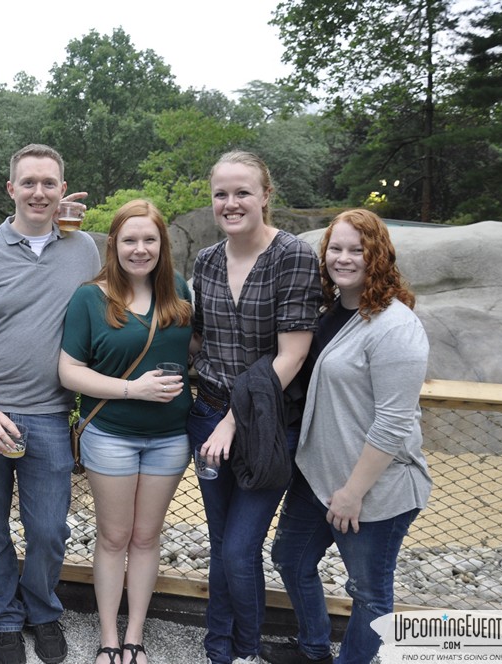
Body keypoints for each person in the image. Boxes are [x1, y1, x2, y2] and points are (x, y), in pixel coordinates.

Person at [0, 143, 101, 664]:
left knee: (50, 527)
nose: (38, 191)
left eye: (49, 183)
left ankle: (41, 607)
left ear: (63, 191)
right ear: (10, 188)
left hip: (52, 415)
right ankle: (4, 615)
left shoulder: (84, 251)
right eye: (28, 182)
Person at [261, 210, 431, 664]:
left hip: (373, 491)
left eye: (357, 249)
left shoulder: (395, 326)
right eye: (336, 247)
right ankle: (313, 648)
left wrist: (353, 492)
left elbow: (394, 422)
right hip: (316, 475)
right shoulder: (329, 312)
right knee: (291, 560)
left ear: (379, 255)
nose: (344, 257)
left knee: (369, 591)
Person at [187, 150, 321, 664]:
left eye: (242, 192)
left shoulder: (293, 255)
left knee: (242, 548)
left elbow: (292, 355)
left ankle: (245, 650)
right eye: (221, 193)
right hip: (207, 414)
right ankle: (219, 647)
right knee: (222, 545)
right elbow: (200, 342)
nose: (231, 202)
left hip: (265, 427)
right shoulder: (207, 261)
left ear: (266, 196)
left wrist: (232, 422)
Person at [58, 199, 195, 664]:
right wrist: (131, 389)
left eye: (150, 240)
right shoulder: (90, 298)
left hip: (171, 437)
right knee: (113, 537)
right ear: (114, 245)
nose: (140, 249)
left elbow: (195, 346)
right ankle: (108, 636)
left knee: (146, 537)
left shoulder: (178, 291)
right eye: (130, 240)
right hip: (112, 434)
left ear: (163, 244)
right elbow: (69, 371)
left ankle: (135, 632)